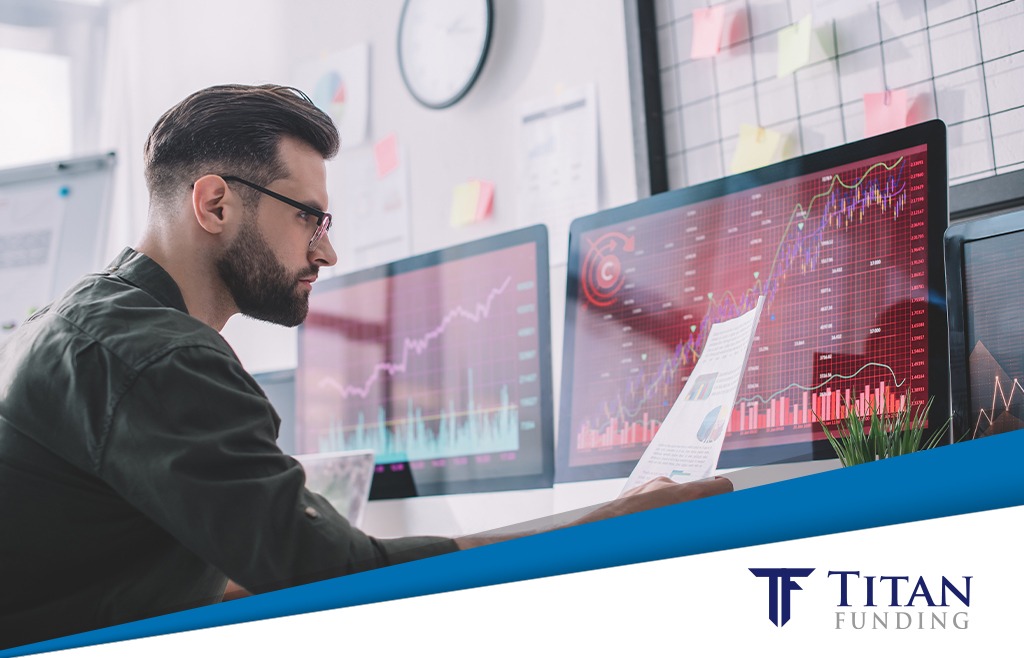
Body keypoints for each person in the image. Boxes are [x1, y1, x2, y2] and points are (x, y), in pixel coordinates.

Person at [0, 84, 732, 648]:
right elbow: (340, 580)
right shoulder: (161, 357)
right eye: (307, 217)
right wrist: (610, 524)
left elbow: (172, 577)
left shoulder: (76, 321)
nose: (326, 251)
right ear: (215, 204)